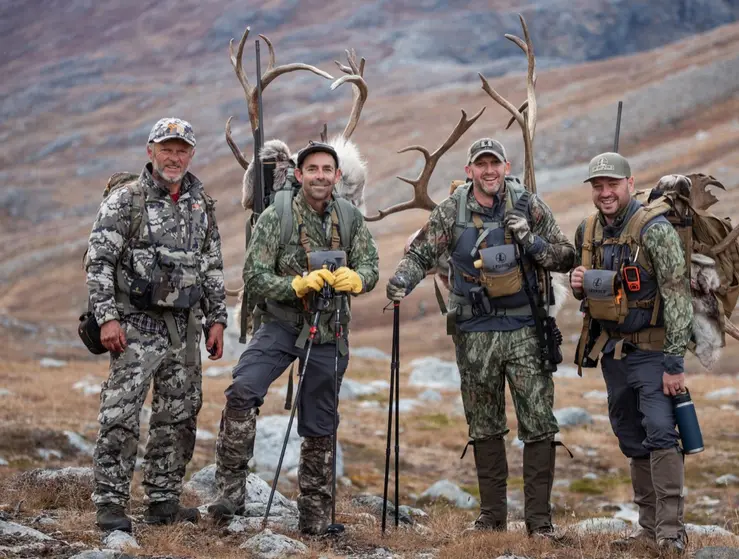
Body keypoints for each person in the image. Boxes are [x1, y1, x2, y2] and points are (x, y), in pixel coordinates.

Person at [386, 138, 575, 539]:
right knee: (484, 425)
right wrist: (403, 278)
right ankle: (492, 518)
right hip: (473, 333)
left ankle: (539, 524)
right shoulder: (450, 211)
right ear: (469, 170)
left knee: (539, 424)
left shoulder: (530, 206)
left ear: (506, 167)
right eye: (480, 164)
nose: (489, 171)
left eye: (495, 164)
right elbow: (420, 253)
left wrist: (531, 241)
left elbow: (566, 255)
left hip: (526, 330)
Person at [208, 141, 379, 536]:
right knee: (243, 390)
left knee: (320, 421)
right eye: (312, 169)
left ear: (337, 177)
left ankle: (315, 518)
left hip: (330, 330)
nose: (320, 176)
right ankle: (229, 495)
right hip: (281, 324)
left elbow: (370, 264)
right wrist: (295, 285)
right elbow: (253, 276)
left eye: (327, 169)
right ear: (299, 175)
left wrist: (359, 279)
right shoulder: (276, 216)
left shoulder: (351, 217)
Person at [85, 117, 227, 532]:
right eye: (166, 148)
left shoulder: (202, 204)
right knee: (121, 414)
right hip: (134, 325)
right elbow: (99, 262)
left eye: (182, 150)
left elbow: (212, 266)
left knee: (179, 416)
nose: (174, 156)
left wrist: (217, 319)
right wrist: (107, 318)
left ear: (191, 155)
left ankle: (163, 501)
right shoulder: (125, 200)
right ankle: (110, 504)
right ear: (150, 151)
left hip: (184, 329)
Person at [570, 152, 693, 554]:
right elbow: (598, 288)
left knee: (660, 432)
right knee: (631, 436)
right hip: (614, 355)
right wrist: (578, 284)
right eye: (598, 186)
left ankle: (671, 533)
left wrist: (675, 364)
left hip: (654, 353)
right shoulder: (587, 230)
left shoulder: (654, 229)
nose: (605, 193)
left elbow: (677, 293)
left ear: (629, 183)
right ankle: (648, 528)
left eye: (613, 185)